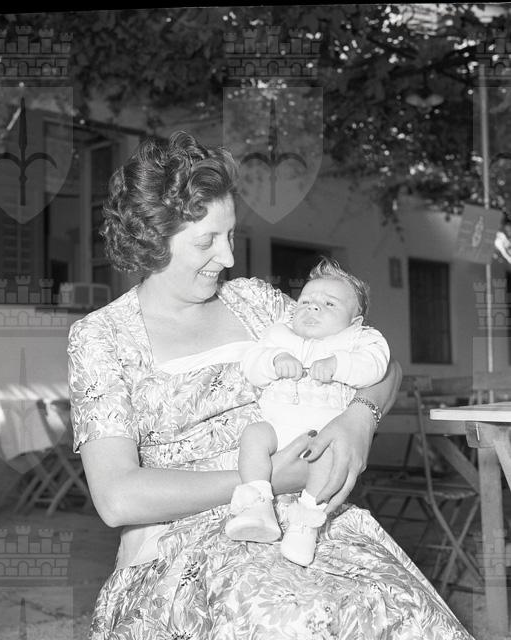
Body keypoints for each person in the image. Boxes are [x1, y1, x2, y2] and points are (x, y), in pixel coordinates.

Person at [68, 131, 475, 639]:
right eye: (206, 241)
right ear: (152, 238)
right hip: (185, 545)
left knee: (401, 612)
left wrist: (359, 419)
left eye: (230, 235)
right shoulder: (102, 337)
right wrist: (265, 480)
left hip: (309, 521)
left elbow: (383, 366)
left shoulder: (257, 304)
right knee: (294, 620)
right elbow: (117, 497)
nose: (228, 257)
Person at [225, 257, 390, 567]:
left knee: (326, 462)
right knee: (253, 435)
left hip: (322, 435)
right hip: (276, 429)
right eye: (306, 301)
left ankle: (304, 525)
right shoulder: (279, 335)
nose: (313, 307)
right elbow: (252, 363)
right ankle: (257, 504)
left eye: (329, 304)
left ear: (355, 321)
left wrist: (339, 364)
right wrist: (275, 360)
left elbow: (376, 365)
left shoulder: (359, 339)